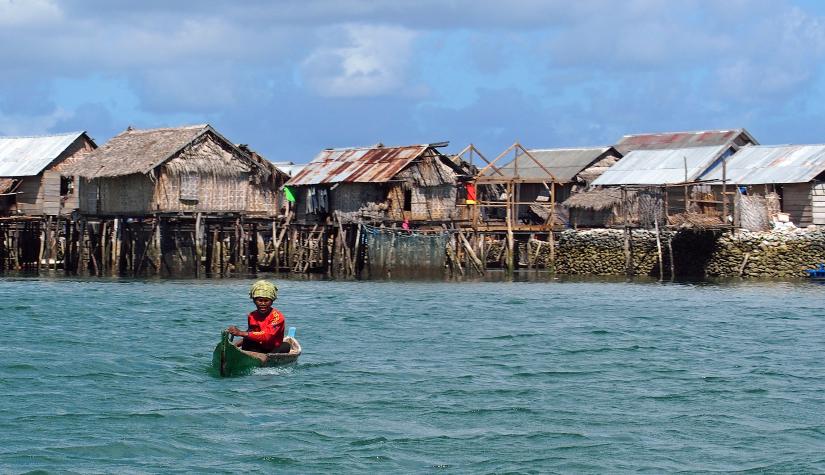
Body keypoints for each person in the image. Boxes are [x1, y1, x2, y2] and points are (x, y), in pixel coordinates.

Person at [227, 280, 290, 354]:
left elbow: (267, 336)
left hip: (273, 349)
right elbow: (251, 334)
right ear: (254, 301)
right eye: (260, 300)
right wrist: (235, 345)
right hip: (258, 348)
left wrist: (240, 333)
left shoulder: (277, 317)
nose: (263, 303)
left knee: (286, 346)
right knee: (248, 341)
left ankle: (266, 359)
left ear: (272, 301)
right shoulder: (252, 315)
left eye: (266, 301)